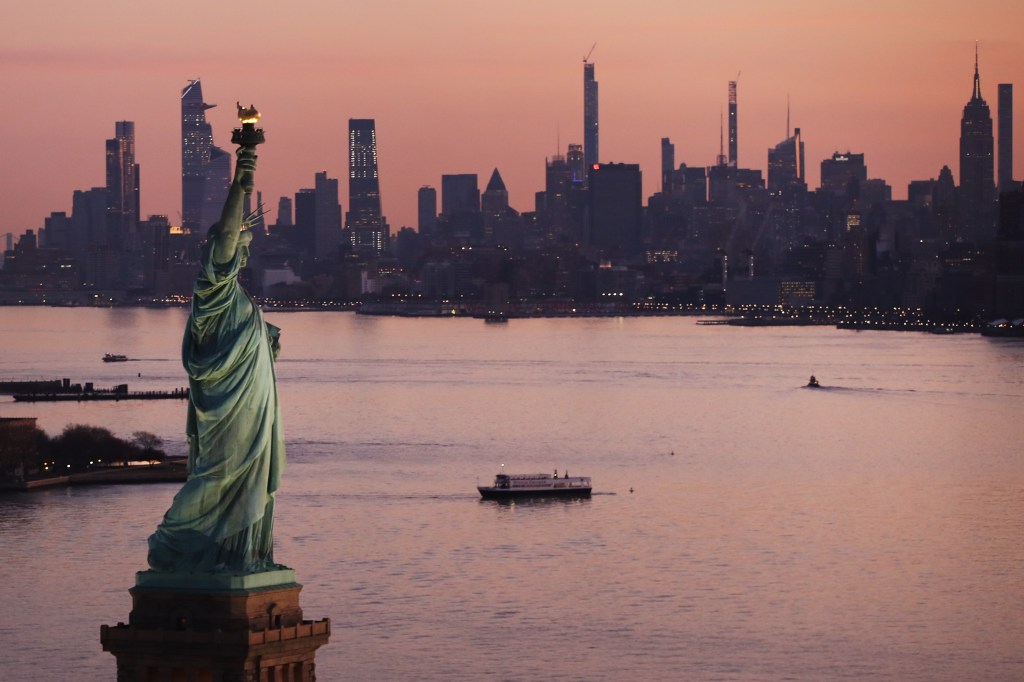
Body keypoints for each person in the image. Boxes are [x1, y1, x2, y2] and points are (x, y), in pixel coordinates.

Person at [147, 146, 284, 574]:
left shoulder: (238, 297)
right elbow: (225, 234)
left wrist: (267, 343)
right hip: (228, 406)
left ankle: (241, 554)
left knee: (245, 476)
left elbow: (251, 340)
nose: (241, 248)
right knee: (217, 474)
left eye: (243, 245)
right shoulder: (214, 289)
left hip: (250, 402)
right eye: (237, 244)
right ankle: (174, 541)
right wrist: (244, 173)